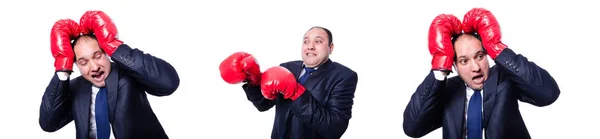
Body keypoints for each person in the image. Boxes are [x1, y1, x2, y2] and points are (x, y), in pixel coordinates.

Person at [402, 8, 560, 139]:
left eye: (480, 56)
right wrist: (439, 66)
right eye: (464, 61)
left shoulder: (504, 78)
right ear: (454, 65)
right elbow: (412, 128)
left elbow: (548, 93)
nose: (476, 67)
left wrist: (497, 48)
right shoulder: (446, 90)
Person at [39, 11, 179, 139]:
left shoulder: (129, 74)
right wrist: (62, 68)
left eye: (98, 56)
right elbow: (48, 124)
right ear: (76, 65)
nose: (94, 67)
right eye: (83, 62)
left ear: (106, 52)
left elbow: (169, 83)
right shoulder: (76, 88)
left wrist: (114, 46)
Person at [219, 26, 359, 139]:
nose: (310, 46)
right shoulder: (287, 67)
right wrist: (254, 80)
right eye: (306, 41)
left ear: (330, 48)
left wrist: (296, 92)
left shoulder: (344, 76)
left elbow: (334, 128)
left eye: (318, 41)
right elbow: (263, 104)